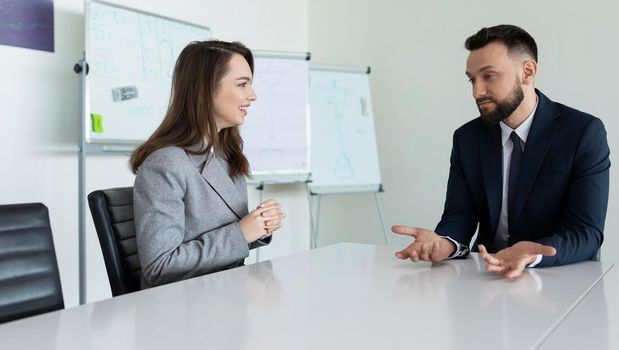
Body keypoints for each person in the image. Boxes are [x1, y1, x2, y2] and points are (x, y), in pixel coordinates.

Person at [393, 25, 610, 278]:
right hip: (485, 274)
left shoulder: (583, 132)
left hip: (558, 277)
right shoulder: (467, 138)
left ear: (527, 72)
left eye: (489, 76)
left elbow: (586, 231)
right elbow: (459, 215)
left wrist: (534, 254)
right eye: (472, 79)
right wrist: (445, 243)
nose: (477, 91)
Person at [130, 40, 286, 288]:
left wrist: (259, 227)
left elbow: (227, 239)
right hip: (184, 313)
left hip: (226, 297)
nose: (253, 95)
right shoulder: (165, 164)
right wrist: (242, 232)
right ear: (206, 89)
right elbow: (159, 267)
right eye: (242, 84)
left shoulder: (226, 156)